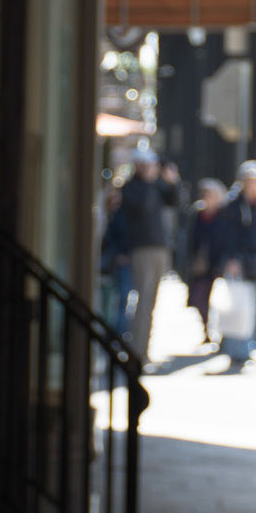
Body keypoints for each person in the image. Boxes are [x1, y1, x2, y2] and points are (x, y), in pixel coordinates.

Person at [119, 147, 180, 359]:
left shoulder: (155, 186)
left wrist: (171, 181)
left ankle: (143, 349)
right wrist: (151, 180)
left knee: (151, 302)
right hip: (141, 249)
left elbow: (174, 201)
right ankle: (137, 350)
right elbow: (143, 206)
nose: (151, 169)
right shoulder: (132, 188)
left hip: (159, 248)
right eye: (147, 166)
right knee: (143, 301)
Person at [212, 161, 256, 367]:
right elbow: (227, 235)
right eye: (249, 181)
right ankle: (235, 350)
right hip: (238, 262)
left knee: (253, 307)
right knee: (236, 306)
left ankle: (247, 349)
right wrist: (232, 258)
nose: (253, 185)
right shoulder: (233, 205)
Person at [186, 179, 226, 342]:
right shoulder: (197, 214)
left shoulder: (223, 215)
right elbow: (191, 239)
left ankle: (218, 333)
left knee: (217, 300)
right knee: (199, 298)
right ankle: (206, 329)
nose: (207, 198)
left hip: (218, 263)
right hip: (201, 264)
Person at [99, 185, 133, 335]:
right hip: (113, 264)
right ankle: (115, 331)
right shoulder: (110, 217)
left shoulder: (123, 215)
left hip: (122, 261)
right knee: (115, 297)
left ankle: (120, 331)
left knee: (123, 298)